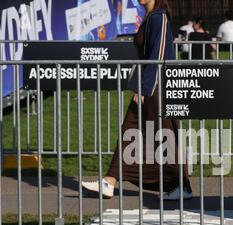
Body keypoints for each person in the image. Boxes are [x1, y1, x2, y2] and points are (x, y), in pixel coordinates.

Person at [82, 0, 193, 201]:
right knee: (131, 132)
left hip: (157, 88)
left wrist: (144, 88)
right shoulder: (150, 18)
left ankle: (181, 186)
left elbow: (157, 56)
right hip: (150, 86)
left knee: (164, 136)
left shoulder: (159, 18)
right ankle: (110, 181)